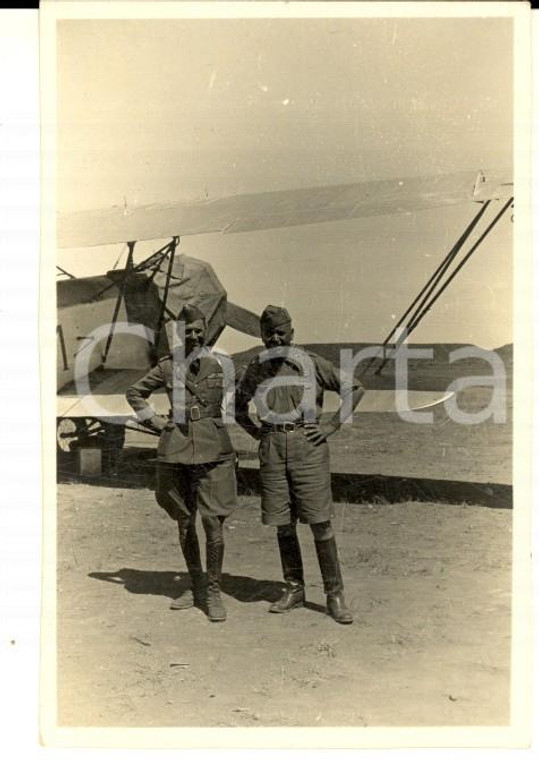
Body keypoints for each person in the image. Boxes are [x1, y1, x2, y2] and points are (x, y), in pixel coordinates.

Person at [235, 305, 365, 625]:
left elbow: (355, 387)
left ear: (292, 333)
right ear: (262, 336)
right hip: (273, 450)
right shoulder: (257, 367)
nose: (274, 338)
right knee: (283, 523)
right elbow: (237, 406)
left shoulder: (311, 363)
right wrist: (259, 435)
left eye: (281, 332)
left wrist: (331, 426)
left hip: (309, 450)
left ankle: (334, 595)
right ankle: (294, 590)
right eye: (269, 333)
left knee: (320, 522)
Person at [126, 304, 237, 622]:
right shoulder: (166, 366)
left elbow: (249, 390)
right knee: (185, 521)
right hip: (176, 450)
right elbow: (135, 393)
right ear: (180, 333)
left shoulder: (223, 365)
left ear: (206, 331)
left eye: (198, 329)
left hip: (214, 450)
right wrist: (157, 424)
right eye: (187, 330)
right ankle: (196, 585)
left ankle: (213, 592)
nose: (193, 334)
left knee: (213, 523)